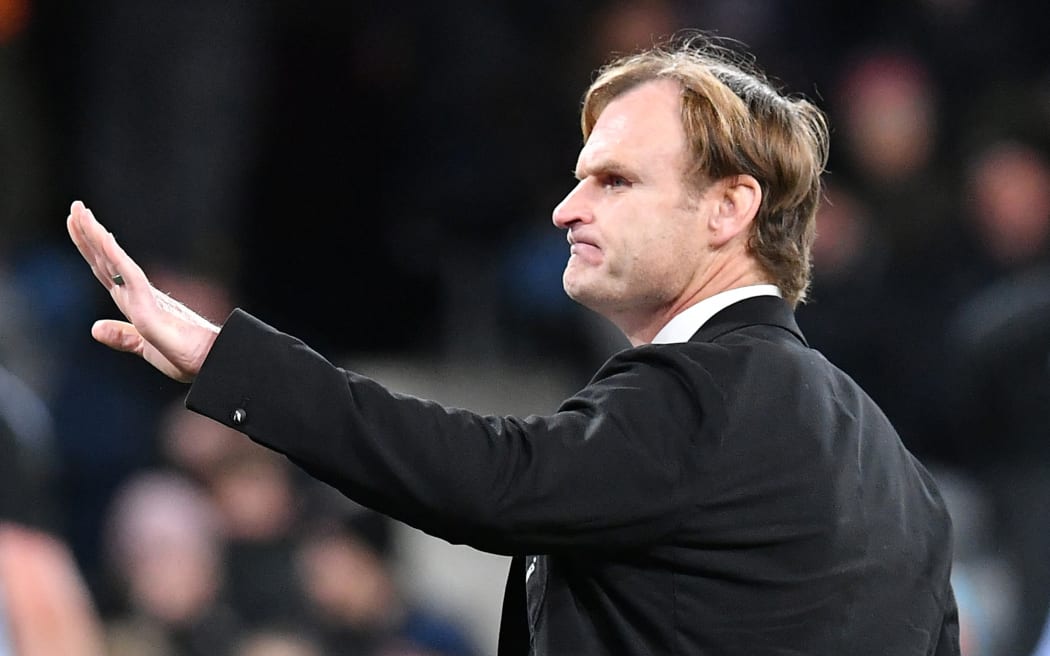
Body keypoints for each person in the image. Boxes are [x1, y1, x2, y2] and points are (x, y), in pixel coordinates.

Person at [66, 34, 959, 655]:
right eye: (579, 180)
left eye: (614, 181)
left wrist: (226, 360)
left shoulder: (708, 392)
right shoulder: (900, 475)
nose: (568, 209)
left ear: (730, 207)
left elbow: (493, 478)